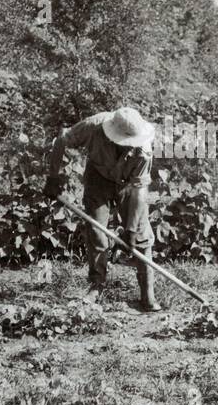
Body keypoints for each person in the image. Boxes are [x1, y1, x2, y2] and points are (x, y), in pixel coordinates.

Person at [45, 106, 162, 311]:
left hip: (128, 185)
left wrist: (131, 230)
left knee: (142, 236)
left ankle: (147, 294)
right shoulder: (93, 126)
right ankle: (96, 286)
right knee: (97, 232)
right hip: (98, 178)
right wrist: (54, 177)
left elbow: (139, 191)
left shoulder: (144, 150)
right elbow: (63, 138)